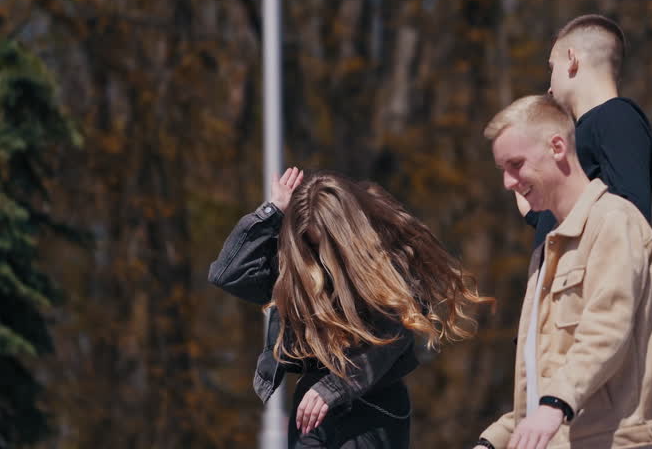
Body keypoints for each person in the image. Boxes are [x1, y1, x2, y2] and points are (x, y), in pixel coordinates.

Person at [209, 167, 490, 448]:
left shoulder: (385, 261)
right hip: (314, 402)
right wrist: (274, 211)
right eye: (310, 243)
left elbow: (391, 341)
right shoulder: (300, 267)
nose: (320, 257)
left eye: (326, 245)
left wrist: (332, 389)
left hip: (372, 401)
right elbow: (229, 274)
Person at [475, 95, 652, 449]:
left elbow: (607, 327)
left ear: (557, 147)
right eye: (503, 170)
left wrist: (555, 405)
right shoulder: (550, 248)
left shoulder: (614, 222)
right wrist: (494, 440)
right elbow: (545, 373)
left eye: (516, 164)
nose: (508, 183)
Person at [523, 14, 652, 249]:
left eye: (553, 68)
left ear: (572, 59)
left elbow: (630, 219)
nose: (550, 87)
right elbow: (568, 221)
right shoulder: (581, 134)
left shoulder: (617, 117)